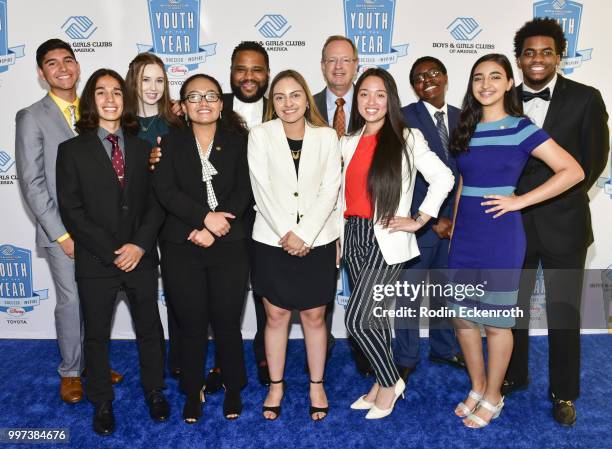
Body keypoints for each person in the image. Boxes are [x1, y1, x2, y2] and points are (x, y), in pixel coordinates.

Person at [447, 53, 584, 429]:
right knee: (462, 318)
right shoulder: (464, 128)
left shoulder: (522, 128)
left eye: (495, 76)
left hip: (501, 236)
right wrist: (456, 232)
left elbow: (572, 170)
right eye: (478, 77)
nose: (486, 84)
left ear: (510, 83)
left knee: (496, 322)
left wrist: (519, 200)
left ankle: (494, 394)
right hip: (466, 235)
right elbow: (462, 185)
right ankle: (476, 387)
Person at [504, 18, 609, 426]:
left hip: (565, 224)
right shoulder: (503, 99)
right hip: (513, 226)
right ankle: (513, 375)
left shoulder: (586, 98)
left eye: (546, 52)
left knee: (565, 312)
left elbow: (594, 161)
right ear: (519, 58)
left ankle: (564, 393)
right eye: (529, 52)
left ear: (559, 56)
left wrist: (551, 199)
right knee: (512, 310)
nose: (537, 59)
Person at [56, 69, 168, 435]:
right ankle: (101, 401)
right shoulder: (70, 151)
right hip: (96, 259)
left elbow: (155, 203)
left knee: (150, 329)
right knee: (97, 335)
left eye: (117, 91)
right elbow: (71, 210)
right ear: (91, 100)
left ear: (125, 98)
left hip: (140, 256)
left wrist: (138, 245)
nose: (110, 99)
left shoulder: (140, 147)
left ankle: (155, 391)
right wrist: (112, 250)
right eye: (101, 92)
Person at [341, 67, 455, 420]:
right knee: (373, 320)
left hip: (386, 238)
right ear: (356, 98)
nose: (371, 102)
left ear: (390, 99)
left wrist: (421, 219)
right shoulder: (348, 140)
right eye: (364, 94)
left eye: (379, 94)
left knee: (357, 321)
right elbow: (340, 195)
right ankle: (380, 383)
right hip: (353, 235)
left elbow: (444, 177)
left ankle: (390, 384)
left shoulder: (407, 137)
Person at [15, 39, 122, 406]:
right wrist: (61, 234)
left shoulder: (95, 111)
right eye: (52, 63)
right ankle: (71, 372)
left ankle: (94, 363)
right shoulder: (32, 116)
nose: (62, 68)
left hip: (102, 229)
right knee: (72, 301)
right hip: (63, 232)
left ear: (77, 66)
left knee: (98, 299)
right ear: (42, 73)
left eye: (68, 60)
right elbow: (32, 182)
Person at [153, 74, 251, 423]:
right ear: (182, 106)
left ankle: (233, 386)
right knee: (191, 324)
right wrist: (203, 220)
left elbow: (245, 190)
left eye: (211, 96)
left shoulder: (240, 142)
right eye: (194, 97)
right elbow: (165, 190)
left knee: (227, 322)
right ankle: (192, 389)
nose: (203, 103)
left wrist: (216, 227)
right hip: (183, 244)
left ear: (222, 104)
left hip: (229, 243)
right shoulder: (169, 142)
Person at [248, 70, 340, 421]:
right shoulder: (259, 135)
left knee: (316, 317)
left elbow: (330, 189)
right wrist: (289, 232)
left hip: (317, 239)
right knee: (276, 315)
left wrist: (306, 233)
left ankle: (317, 384)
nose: (288, 103)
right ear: (273, 102)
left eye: (296, 95)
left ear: (307, 99)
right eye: (281, 97)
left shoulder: (327, 136)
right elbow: (261, 189)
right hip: (272, 239)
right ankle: (276, 384)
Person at [204, 41, 272, 392]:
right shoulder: (211, 107)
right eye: (241, 69)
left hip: (267, 219)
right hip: (223, 218)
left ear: (267, 74)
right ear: (231, 72)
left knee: (265, 293)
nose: (248, 76)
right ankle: (222, 360)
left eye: (256, 69)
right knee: (222, 295)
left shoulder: (282, 109)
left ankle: (265, 355)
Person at [394, 56, 464, 382]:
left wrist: (456, 218)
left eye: (434, 73)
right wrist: (430, 218)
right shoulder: (403, 118)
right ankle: (406, 357)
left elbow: (467, 172)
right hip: (420, 223)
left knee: (444, 293)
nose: (428, 80)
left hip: (456, 226)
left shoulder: (462, 118)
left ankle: (444, 348)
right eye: (419, 77)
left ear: (446, 77)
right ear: (413, 86)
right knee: (408, 295)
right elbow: (403, 176)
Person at [313, 35, 371, 376]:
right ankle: (323, 340)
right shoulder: (305, 104)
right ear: (322, 67)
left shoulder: (371, 103)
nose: (338, 66)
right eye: (331, 60)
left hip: (361, 209)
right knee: (321, 281)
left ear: (355, 65)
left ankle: (365, 345)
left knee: (364, 283)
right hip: (318, 209)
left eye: (345, 60)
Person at [125, 52, 184, 379]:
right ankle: (153, 361)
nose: (152, 87)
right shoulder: (120, 122)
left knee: (176, 290)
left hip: (173, 216)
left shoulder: (176, 122)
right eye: (146, 79)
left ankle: (178, 357)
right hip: (135, 218)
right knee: (144, 297)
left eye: (159, 80)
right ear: (133, 81)